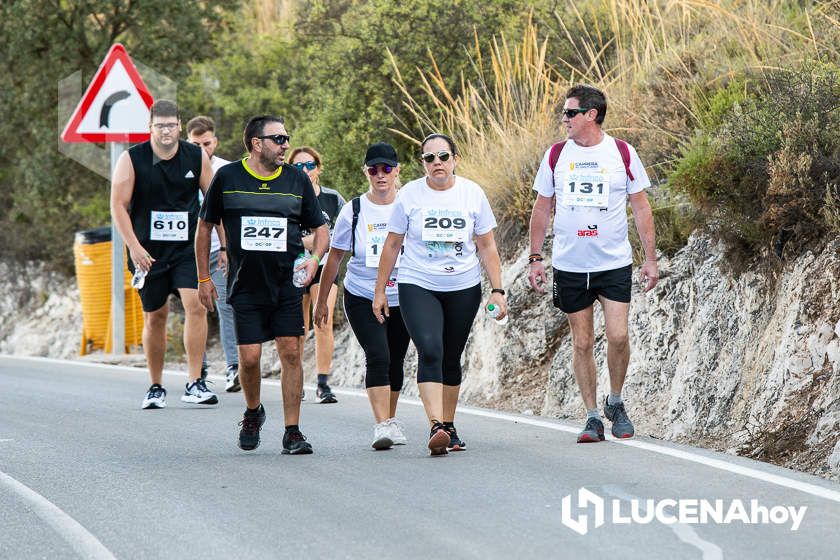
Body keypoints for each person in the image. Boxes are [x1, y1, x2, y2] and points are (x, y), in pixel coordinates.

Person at [527, 84, 658, 443]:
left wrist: (649, 259)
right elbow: (541, 207)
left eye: (570, 113)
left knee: (618, 335)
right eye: (564, 113)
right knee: (582, 342)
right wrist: (536, 258)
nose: (564, 119)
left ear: (591, 115)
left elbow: (641, 207)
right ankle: (592, 417)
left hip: (612, 263)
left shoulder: (621, 152)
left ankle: (616, 402)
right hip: (570, 265)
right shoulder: (555, 155)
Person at [196, 115, 329, 453]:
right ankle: (253, 411)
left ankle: (292, 431)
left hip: (286, 283)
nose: (285, 145)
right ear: (257, 143)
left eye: (286, 138)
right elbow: (204, 227)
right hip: (245, 285)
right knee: (251, 358)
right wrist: (204, 278)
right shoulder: (228, 177)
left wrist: (313, 260)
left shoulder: (295, 180)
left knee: (291, 354)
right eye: (278, 139)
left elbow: (321, 230)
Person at [373, 133, 507, 456]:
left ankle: (448, 425)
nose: (437, 163)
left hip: (463, 285)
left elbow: (487, 246)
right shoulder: (409, 195)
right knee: (430, 349)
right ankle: (435, 425)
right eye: (429, 158)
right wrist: (380, 291)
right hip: (418, 283)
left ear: (455, 159)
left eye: (443, 157)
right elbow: (392, 245)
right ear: (423, 164)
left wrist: (498, 290)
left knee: (451, 355)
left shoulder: (472, 194)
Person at [110, 99, 218, 410]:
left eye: (171, 125)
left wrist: (224, 245)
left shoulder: (195, 155)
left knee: (196, 306)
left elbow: (214, 202)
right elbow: (118, 205)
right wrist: (133, 245)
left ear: (180, 126)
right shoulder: (132, 159)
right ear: (150, 127)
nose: (166, 130)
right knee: (155, 317)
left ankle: (194, 381)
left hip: (186, 249)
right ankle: (155, 385)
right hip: (148, 252)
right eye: (160, 125)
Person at [314, 142, 411, 450]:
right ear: (365, 172)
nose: (380, 175)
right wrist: (321, 301)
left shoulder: (410, 205)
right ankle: (381, 424)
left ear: (397, 171)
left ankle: (391, 420)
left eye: (386, 169)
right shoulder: (353, 210)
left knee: (396, 360)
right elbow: (334, 258)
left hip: (404, 296)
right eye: (373, 170)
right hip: (362, 294)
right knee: (378, 355)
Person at [186, 115, 240, 393]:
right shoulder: (181, 166)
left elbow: (231, 212)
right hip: (188, 251)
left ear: (215, 142)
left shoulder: (226, 170)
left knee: (226, 305)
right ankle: (200, 367)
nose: (202, 149)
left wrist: (228, 248)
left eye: (207, 143)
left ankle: (233, 367)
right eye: (196, 144)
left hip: (219, 249)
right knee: (194, 308)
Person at [288, 146, 346, 404]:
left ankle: (323, 383)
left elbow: (341, 236)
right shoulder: (285, 197)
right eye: (298, 166)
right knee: (296, 328)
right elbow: (283, 237)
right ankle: (296, 379)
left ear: (318, 168)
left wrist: (315, 243)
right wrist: (316, 241)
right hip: (292, 267)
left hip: (324, 266)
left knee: (322, 321)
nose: (305, 171)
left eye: (310, 165)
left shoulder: (333, 199)